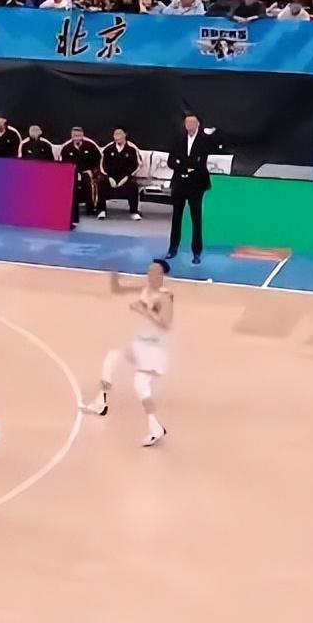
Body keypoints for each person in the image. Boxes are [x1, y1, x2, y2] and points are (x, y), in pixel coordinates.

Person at [82, 261, 172, 447]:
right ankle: (101, 401)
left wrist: (144, 311)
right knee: (113, 357)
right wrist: (114, 278)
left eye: (155, 271)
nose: (150, 274)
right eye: (149, 270)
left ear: (162, 275)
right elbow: (119, 290)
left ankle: (155, 428)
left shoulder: (165, 297)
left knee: (141, 385)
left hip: (153, 349)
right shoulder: (146, 289)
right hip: (141, 344)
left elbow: (165, 324)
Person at [166, 114, 212, 264]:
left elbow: (199, 162)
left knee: (195, 218)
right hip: (179, 182)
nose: (189, 125)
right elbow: (171, 161)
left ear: (198, 124)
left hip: (196, 184)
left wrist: (183, 162)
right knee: (176, 216)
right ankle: (173, 248)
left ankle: (197, 251)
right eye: (187, 122)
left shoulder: (204, 140)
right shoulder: (178, 139)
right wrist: (184, 165)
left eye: (192, 122)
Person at [60, 126, 103, 228]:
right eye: (75, 135)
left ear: (82, 135)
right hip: (71, 173)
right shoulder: (66, 148)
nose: (77, 137)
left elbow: (99, 160)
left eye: (79, 135)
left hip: (87, 172)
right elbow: (62, 164)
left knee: (88, 182)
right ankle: (68, 209)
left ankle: (91, 208)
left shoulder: (90, 145)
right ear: (71, 136)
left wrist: (93, 171)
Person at [97, 128, 142, 221]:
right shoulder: (108, 149)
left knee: (133, 185)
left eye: (119, 134)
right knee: (101, 183)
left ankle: (134, 211)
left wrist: (126, 177)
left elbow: (136, 165)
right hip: (111, 178)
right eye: (115, 134)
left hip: (126, 177)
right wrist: (109, 177)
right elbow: (103, 165)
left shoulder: (132, 149)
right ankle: (101, 210)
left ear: (125, 134)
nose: (117, 136)